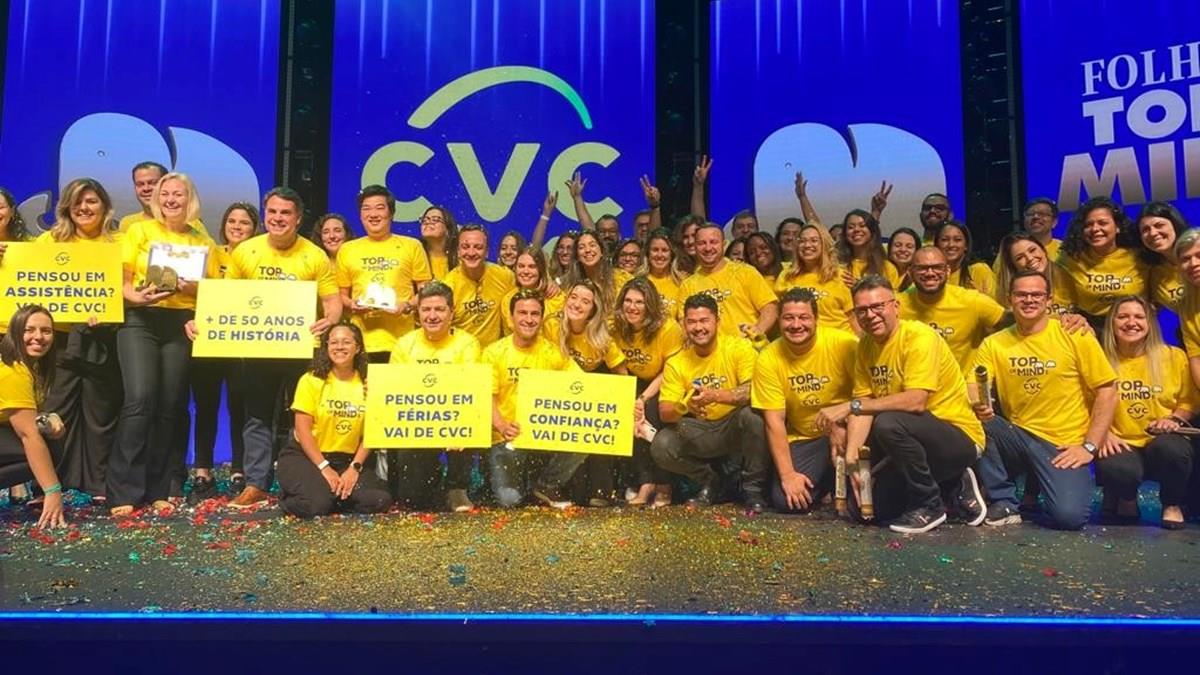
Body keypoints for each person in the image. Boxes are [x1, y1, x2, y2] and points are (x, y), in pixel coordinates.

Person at [816, 275, 986, 534]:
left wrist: (850, 407)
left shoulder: (919, 337)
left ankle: (930, 505)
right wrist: (852, 459)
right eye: (862, 310)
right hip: (910, 442)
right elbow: (865, 403)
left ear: (895, 306)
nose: (870, 315)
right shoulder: (865, 346)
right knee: (867, 510)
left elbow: (916, 401)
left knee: (888, 422)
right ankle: (952, 482)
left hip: (957, 437)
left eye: (877, 306)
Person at [221, 186, 342, 510]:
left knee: (300, 418)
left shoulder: (314, 255)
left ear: (298, 219)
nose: (277, 218)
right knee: (257, 416)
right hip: (258, 348)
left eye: (285, 213)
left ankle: (296, 482)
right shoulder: (246, 251)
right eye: (272, 212)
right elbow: (226, 299)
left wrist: (329, 320)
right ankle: (255, 484)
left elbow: (332, 301)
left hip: (301, 347)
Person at [973, 271, 1117, 530]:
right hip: (1018, 436)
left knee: (1069, 518)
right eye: (1021, 294)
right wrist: (978, 403)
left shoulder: (1074, 334)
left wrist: (1089, 447)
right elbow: (975, 383)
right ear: (1010, 299)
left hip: (1063, 444)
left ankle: (1043, 482)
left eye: (1036, 294)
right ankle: (1003, 501)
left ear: (1049, 299)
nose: (1029, 300)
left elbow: (1107, 390)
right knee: (976, 422)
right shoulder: (994, 343)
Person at [111, 172, 219, 517]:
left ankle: (159, 488)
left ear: (190, 200)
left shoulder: (203, 240)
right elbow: (123, 282)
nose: (172, 199)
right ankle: (124, 489)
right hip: (140, 318)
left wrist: (192, 288)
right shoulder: (139, 231)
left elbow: (214, 291)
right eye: (166, 193)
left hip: (180, 323)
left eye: (179, 194)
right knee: (140, 399)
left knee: (170, 405)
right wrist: (137, 297)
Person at [37, 178, 122, 502]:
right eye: (77, 203)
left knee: (101, 414)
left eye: (91, 202)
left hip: (104, 337)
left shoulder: (119, 242)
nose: (84, 208)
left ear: (104, 206)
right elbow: (26, 276)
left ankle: (99, 484)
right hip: (59, 339)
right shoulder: (49, 241)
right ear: (67, 208)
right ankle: (48, 485)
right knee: (55, 412)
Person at [651, 294, 768, 511]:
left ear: (717, 321)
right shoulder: (677, 362)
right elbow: (665, 411)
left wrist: (715, 396)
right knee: (663, 444)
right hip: (701, 428)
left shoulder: (738, 348)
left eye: (704, 320)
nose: (698, 328)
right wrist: (685, 407)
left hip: (734, 425)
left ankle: (753, 490)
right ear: (684, 325)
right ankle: (709, 481)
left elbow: (754, 390)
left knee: (753, 416)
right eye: (692, 322)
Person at [753, 289, 857, 513]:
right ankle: (828, 479)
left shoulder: (845, 344)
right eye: (788, 318)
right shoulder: (769, 357)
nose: (796, 325)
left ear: (816, 319)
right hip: (807, 437)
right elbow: (774, 420)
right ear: (779, 321)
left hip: (851, 429)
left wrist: (843, 424)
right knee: (787, 501)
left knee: (863, 503)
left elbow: (867, 396)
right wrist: (788, 475)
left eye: (804, 317)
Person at [1096, 296, 1195, 529]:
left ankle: (1171, 503)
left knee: (1173, 450)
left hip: (1161, 440)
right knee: (1116, 467)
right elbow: (1086, 404)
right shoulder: (1099, 359)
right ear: (1111, 323)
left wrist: (1174, 419)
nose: (1131, 323)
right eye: (1123, 317)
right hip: (1120, 440)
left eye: (1139, 317)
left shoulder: (1173, 356)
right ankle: (1127, 498)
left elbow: (1189, 401)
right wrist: (1104, 433)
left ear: (1149, 323)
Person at [275, 322, 391, 517]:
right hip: (307, 456)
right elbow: (302, 430)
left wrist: (354, 468)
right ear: (326, 347)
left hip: (347, 460)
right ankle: (303, 496)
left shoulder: (368, 383)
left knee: (379, 500)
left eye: (346, 342)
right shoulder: (311, 380)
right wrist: (324, 468)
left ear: (358, 348)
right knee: (316, 505)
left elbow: (372, 431)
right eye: (334, 342)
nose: (339, 347)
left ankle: (333, 496)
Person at [388, 282, 482, 512]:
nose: (432, 316)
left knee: (469, 424)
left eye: (439, 309)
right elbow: (394, 391)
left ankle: (456, 487)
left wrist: (454, 426)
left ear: (451, 312)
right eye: (426, 309)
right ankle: (431, 482)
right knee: (413, 500)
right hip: (415, 422)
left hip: (454, 418)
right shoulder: (404, 345)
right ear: (418, 312)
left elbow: (471, 389)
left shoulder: (467, 344)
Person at [485, 290, 583, 508]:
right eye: (522, 313)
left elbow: (583, 387)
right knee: (509, 501)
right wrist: (502, 425)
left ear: (541, 317)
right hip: (506, 439)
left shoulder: (554, 353)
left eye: (534, 314)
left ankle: (547, 485)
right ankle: (524, 487)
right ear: (511, 317)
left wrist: (626, 405)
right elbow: (485, 397)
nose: (529, 319)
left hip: (543, 437)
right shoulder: (494, 352)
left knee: (587, 436)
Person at [188, 202, 259, 502]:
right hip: (209, 338)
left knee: (240, 407)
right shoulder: (209, 252)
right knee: (205, 406)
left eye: (244, 222)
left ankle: (239, 471)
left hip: (245, 341)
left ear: (254, 229)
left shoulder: (259, 257)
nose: (237, 227)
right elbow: (193, 291)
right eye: (232, 221)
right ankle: (202, 471)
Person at [336, 185, 431, 362]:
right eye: (366, 209)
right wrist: (352, 304)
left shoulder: (412, 246)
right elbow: (341, 295)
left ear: (391, 213)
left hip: (401, 343)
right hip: (360, 343)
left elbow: (426, 290)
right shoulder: (347, 249)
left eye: (380, 208)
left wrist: (407, 306)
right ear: (360, 215)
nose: (373, 214)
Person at [612, 277, 684, 506]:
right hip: (632, 381)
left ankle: (664, 483)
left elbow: (670, 369)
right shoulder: (615, 326)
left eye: (639, 302)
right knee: (628, 415)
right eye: (628, 301)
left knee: (652, 413)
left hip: (664, 381)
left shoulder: (668, 328)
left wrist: (643, 399)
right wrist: (630, 396)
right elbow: (616, 363)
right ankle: (645, 482)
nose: (632, 307)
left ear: (650, 305)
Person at [0, 306, 67, 528]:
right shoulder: (14, 371)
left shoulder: (30, 367)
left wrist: (49, 417)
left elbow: (27, 417)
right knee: (44, 446)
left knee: (50, 441)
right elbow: (28, 434)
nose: (38, 337)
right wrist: (53, 491)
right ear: (15, 333)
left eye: (46, 331)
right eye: (29, 330)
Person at [898, 247, 1006, 373]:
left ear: (948, 271)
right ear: (910, 272)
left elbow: (1013, 324)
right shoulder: (895, 305)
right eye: (922, 268)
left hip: (963, 383)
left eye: (937, 267)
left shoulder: (971, 301)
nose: (930, 273)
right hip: (913, 381)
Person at [1055, 196, 1147, 330]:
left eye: (1102, 223)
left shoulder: (1140, 256)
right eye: (1088, 225)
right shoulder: (1070, 259)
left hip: (1134, 326)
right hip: (1090, 327)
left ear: (1117, 227)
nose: (1095, 229)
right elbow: (1062, 303)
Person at [678, 223, 778, 344]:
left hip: (749, 348)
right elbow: (684, 323)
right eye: (702, 243)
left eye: (713, 242)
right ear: (695, 247)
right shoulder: (688, 285)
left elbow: (770, 307)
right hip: (711, 353)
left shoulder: (746, 272)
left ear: (724, 244)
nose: (708, 248)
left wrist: (758, 330)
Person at [773, 223, 856, 333]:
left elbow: (853, 317)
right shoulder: (786, 275)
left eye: (814, 240)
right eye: (802, 241)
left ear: (824, 244)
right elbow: (777, 312)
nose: (807, 245)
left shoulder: (839, 275)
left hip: (839, 338)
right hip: (800, 337)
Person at [443, 224, 515, 347]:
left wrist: (547, 284)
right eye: (465, 247)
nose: (471, 253)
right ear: (458, 252)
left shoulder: (505, 276)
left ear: (487, 252)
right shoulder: (448, 286)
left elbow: (530, 287)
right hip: (463, 353)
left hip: (495, 353)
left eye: (478, 247)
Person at [1135, 201, 1189, 310]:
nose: (1153, 233)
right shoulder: (1153, 273)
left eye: (1159, 225)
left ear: (1175, 224)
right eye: (1145, 230)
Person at [991, 198, 1062, 275]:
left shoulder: (1064, 250)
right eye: (1030, 214)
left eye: (1042, 213)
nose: (1035, 217)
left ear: (1054, 222)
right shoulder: (1008, 252)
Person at [501, 246, 564, 333]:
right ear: (515, 268)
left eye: (532, 266)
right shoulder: (507, 301)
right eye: (521, 266)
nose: (526, 271)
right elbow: (508, 337)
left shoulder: (557, 298)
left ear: (540, 270)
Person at [935, 221, 996, 298]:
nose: (951, 245)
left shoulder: (979, 270)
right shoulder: (932, 274)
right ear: (937, 245)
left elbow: (995, 303)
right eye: (944, 240)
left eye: (957, 240)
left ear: (966, 245)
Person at [645, 230, 686, 321]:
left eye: (664, 250)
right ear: (648, 253)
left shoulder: (683, 282)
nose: (659, 255)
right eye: (655, 250)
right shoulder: (638, 281)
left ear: (672, 254)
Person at [117, 161, 167, 232]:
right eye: (140, 184)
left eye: (152, 183)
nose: (146, 189)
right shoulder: (128, 224)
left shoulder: (182, 222)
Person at [419, 205, 458, 280]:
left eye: (435, 220)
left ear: (448, 229)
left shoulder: (459, 259)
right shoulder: (414, 255)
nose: (428, 222)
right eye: (425, 220)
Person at [887, 227, 921, 291]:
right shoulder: (879, 269)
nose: (903, 250)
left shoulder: (920, 277)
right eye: (897, 245)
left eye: (909, 246)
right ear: (889, 249)